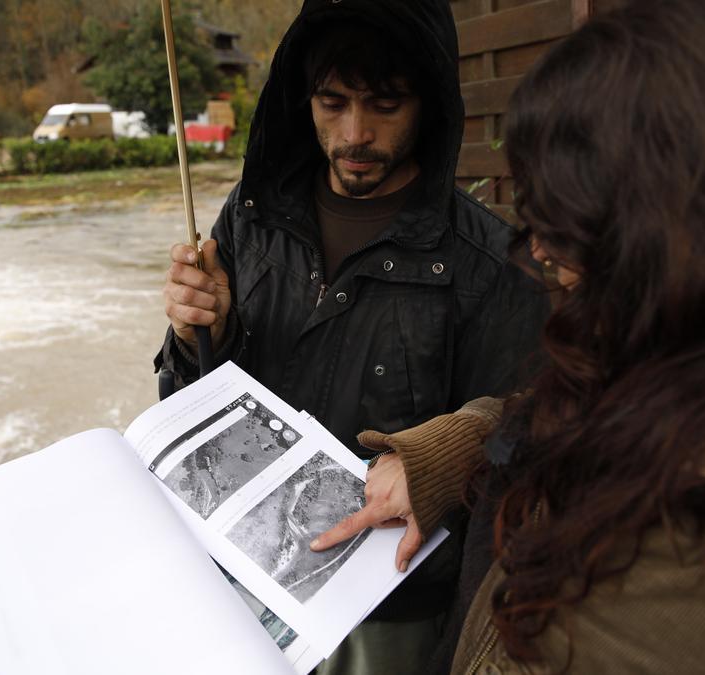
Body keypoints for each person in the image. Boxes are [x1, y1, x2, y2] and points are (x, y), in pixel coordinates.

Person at [317, 0, 705, 671]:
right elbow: (576, 404)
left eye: (571, 222)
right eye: (331, 102)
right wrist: (452, 452)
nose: (539, 249)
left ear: (703, 238)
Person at [157, 0, 546, 672]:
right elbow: (190, 404)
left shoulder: (485, 262)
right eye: (332, 103)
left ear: (428, 105)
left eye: (385, 105)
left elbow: (526, 435)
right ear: (302, 96)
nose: (354, 133)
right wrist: (201, 333)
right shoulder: (251, 218)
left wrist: (433, 466)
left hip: (387, 616)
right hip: (243, 577)